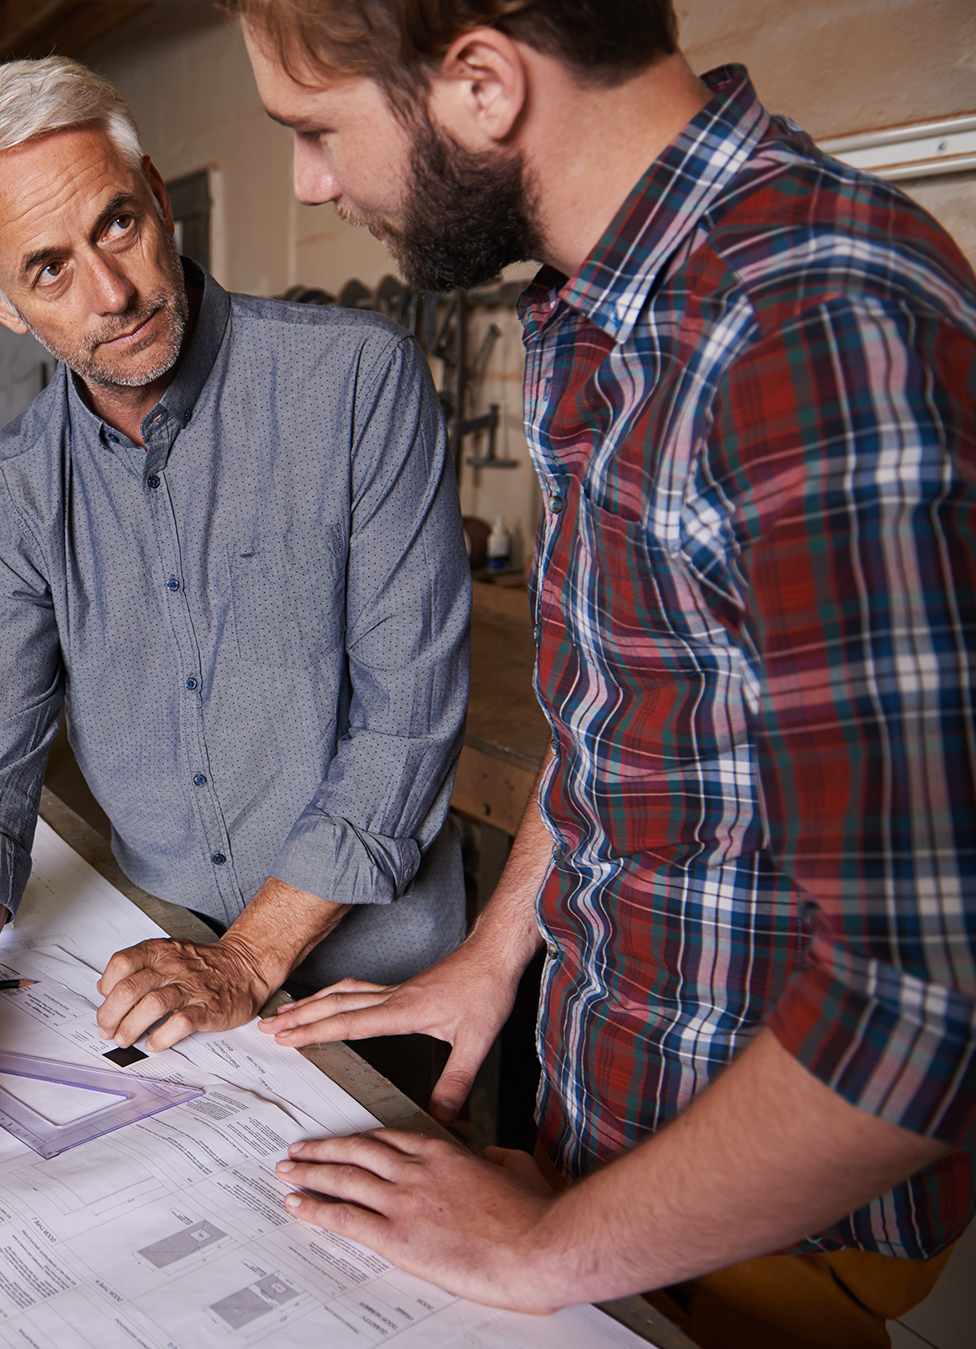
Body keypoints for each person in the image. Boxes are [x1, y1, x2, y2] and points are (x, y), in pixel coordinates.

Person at [233, 2, 975, 1343]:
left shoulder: (804, 324)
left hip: (764, 1239)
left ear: (480, 82)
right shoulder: (602, 302)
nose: (311, 182)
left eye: (317, 130)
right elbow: (624, 712)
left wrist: (544, 1251)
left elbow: (921, 1010)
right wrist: (493, 954)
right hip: (610, 1165)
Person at [0, 57, 472, 1159]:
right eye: (49, 269)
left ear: (158, 196)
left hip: (377, 994)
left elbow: (406, 724)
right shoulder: (21, 488)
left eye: (117, 224)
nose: (111, 294)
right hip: (163, 992)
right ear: (0, 303)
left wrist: (247, 961)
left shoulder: (357, 383)